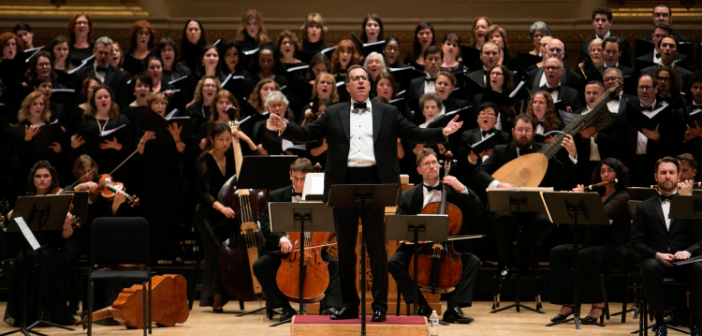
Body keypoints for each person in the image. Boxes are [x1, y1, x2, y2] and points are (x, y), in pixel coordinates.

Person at [267, 64, 463, 322]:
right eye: (354, 79)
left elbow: (413, 132)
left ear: (369, 85)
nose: (360, 82)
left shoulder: (388, 111)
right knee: (346, 249)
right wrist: (284, 126)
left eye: (363, 78)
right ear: (347, 87)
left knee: (376, 248)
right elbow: (306, 134)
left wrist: (442, 132)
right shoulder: (334, 112)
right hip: (343, 183)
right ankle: (349, 304)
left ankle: (380, 305)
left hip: (376, 181)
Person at [473, 114, 577, 277]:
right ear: (513, 131)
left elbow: (562, 175)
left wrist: (572, 156)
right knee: (502, 218)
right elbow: (479, 172)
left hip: (534, 209)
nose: (523, 134)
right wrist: (499, 185)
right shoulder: (502, 150)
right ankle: (507, 260)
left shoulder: (543, 152)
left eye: (527, 130)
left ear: (534, 132)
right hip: (506, 206)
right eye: (520, 130)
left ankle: (522, 261)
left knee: (545, 220)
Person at [389, 147, 484, 323]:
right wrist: (416, 236)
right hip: (419, 248)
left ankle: (454, 307)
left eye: (434, 162)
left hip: (451, 248)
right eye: (427, 164)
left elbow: (478, 209)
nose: (432, 166)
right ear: (419, 170)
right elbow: (400, 224)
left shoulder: (454, 190)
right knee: (393, 262)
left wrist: (462, 187)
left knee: (473, 261)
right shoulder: (408, 195)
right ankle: (421, 306)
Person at [252, 157, 341, 321]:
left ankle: (330, 308)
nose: (298, 184)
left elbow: (332, 223)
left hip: (313, 250)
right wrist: (281, 238)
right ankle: (284, 307)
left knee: (336, 265)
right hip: (284, 252)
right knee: (260, 265)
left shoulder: (322, 196)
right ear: (290, 175)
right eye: (295, 178)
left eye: (303, 179)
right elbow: (266, 224)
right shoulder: (276, 196)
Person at [549, 158, 633, 324]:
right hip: (594, 246)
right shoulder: (597, 196)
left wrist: (581, 200)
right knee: (557, 253)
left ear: (618, 174)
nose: (605, 174)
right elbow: (579, 230)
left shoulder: (622, 197)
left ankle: (597, 305)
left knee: (585, 255)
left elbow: (601, 216)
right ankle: (569, 302)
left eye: (610, 171)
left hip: (618, 249)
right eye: (603, 171)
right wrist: (571, 206)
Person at [631, 157, 702, 336]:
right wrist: (657, 254)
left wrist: (688, 252)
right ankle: (660, 322)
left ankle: (696, 323)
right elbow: (635, 243)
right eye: (663, 173)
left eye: (671, 172)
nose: (667, 176)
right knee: (649, 267)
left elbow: (700, 240)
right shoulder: (644, 207)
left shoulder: (690, 204)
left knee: (700, 268)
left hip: (684, 261)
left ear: (678, 176)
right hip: (657, 261)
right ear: (656, 177)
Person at [3, 160, 76, 327]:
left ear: (52, 179)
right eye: (38, 176)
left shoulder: (60, 200)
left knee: (46, 258)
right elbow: (12, 221)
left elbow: (66, 236)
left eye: (46, 176)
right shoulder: (26, 201)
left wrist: (66, 224)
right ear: (33, 179)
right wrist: (10, 215)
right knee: (24, 259)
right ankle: (27, 315)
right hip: (31, 247)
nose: (42, 179)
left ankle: (51, 314)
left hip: (54, 247)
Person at [194, 122, 248, 312]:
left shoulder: (233, 158)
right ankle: (216, 296)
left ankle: (232, 292)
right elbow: (205, 194)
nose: (225, 143)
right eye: (220, 139)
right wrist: (223, 208)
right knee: (217, 248)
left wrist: (245, 139)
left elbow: (252, 162)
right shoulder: (204, 160)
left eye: (228, 139)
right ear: (212, 140)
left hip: (226, 212)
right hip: (207, 214)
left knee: (229, 248)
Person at [625, 74, 685, 187]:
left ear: (656, 89)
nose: (644, 90)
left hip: (657, 167)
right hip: (633, 166)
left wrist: (658, 138)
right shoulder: (628, 112)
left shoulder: (670, 113)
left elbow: (677, 144)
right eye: (640, 87)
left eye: (647, 87)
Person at [70, 85, 131, 180]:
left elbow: (130, 146)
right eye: (99, 97)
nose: (103, 100)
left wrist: (116, 146)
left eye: (106, 97)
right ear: (93, 101)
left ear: (111, 99)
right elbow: (78, 150)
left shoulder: (122, 120)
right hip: (91, 168)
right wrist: (74, 146)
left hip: (115, 166)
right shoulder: (84, 120)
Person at [458, 102, 512, 198]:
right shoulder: (467, 135)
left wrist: (496, 154)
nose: (485, 116)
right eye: (482, 113)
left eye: (489, 113)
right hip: (473, 183)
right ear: (478, 117)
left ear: (496, 118)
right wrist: (471, 158)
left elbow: (508, 162)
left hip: (496, 181)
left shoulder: (504, 137)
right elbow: (461, 161)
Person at [72, 36, 131, 108]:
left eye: (106, 53)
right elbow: (77, 102)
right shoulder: (80, 74)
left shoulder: (121, 76)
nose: (103, 56)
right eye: (100, 52)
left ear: (111, 54)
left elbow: (121, 104)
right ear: (94, 52)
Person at [254, 91, 300, 156]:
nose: (277, 109)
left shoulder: (293, 126)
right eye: (273, 106)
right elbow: (253, 146)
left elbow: (300, 148)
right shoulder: (259, 126)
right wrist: (257, 148)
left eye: (280, 105)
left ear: (285, 107)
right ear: (268, 109)